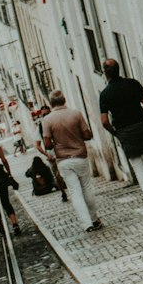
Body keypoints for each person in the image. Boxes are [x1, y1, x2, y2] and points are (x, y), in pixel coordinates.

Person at [98, 59, 143, 214]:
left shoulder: (105, 94)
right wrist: (142, 119)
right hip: (140, 126)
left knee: (138, 166)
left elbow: (104, 121)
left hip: (124, 131)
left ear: (105, 73)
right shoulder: (133, 83)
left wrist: (116, 133)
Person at [42, 88, 102, 232]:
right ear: (64, 100)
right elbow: (87, 135)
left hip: (63, 160)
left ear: (51, 103)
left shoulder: (47, 119)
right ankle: (94, 219)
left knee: (75, 192)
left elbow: (47, 144)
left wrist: (57, 141)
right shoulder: (76, 114)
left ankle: (86, 224)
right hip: (80, 156)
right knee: (87, 188)